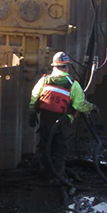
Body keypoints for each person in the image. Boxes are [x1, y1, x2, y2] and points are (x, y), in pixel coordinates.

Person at [29, 51, 97, 181]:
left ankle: (43, 171)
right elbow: (79, 105)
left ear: (54, 66)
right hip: (64, 122)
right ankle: (58, 175)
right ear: (66, 67)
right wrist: (92, 107)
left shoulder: (44, 80)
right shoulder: (73, 84)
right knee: (60, 148)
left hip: (45, 120)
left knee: (44, 145)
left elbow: (34, 97)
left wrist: (32, 113)